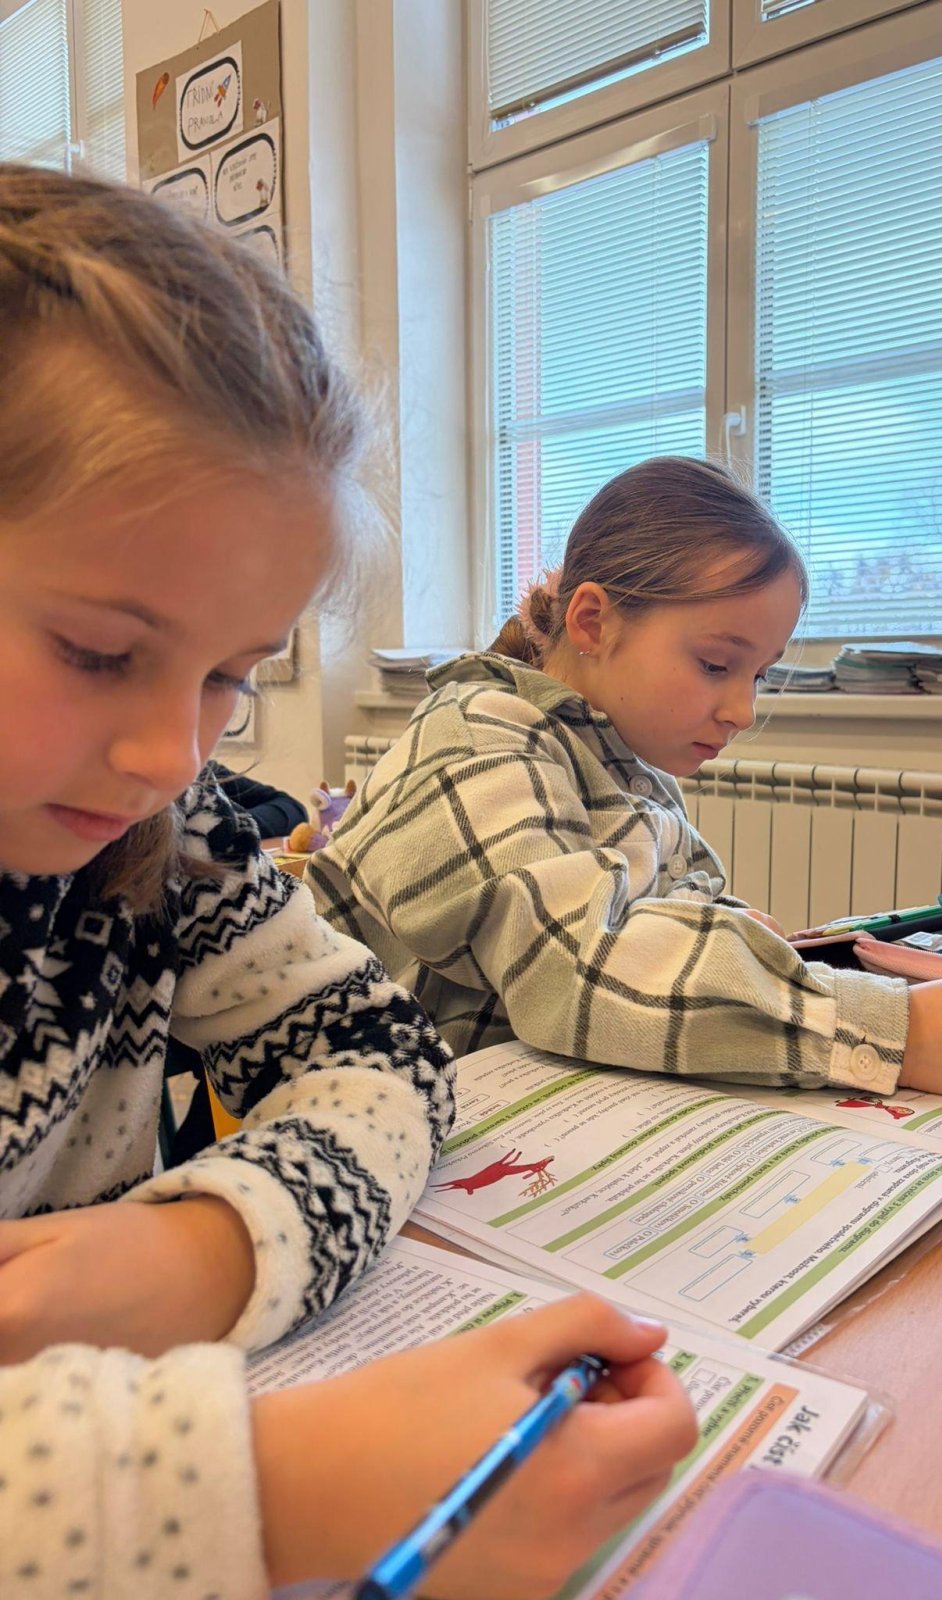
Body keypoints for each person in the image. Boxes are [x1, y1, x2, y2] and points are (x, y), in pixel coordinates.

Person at [0, 167, 695, 1600]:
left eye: (228, 677)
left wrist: (210, 1247)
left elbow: (383, 1055)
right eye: (98, 651)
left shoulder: (168, 834)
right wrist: (266, 1495)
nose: (170, 753)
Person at [310, 456, 942, 1098]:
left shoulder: (624, 762)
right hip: (387, 1111)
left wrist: (740, 932)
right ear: (593, 622)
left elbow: (681, 901)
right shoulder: (476, 736)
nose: (743, 710)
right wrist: (898, 1032)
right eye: (715, 664)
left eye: (758, 675)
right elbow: (577, 971)